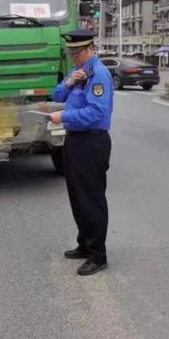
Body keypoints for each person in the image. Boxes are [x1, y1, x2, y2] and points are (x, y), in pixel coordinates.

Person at [48, 29, 114, 276]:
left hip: (92, 142)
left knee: (92, 199)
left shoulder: (98, 75)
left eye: (77, 52)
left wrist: (63, 116)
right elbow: (56, 94)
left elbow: (96, 113)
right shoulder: (79, 72)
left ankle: (98, 255)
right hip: (74, 141)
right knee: (77, 196)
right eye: (71, 53)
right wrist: (68, 82)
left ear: (90, 48)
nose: (73, 57)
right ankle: (85, 244)